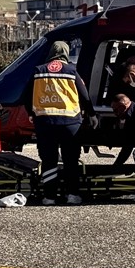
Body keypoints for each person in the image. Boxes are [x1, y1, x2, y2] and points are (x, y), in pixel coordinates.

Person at [27, 40, 96, 205]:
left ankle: (49, 196)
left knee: (49, 160)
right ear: (66, 52)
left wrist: (33, 113)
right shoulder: (71, 71)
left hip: (45, 122)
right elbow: (84, 94)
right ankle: (72, 195)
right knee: (70, 160)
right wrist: (91, 114)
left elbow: (26, 96)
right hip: (70, 122)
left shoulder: (38, 71)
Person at [109, 93, 135, 169]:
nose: (115, 114)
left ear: (122, 107)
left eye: (115, 110)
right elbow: (128, 144)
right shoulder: (130, 118)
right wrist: (116, 165)